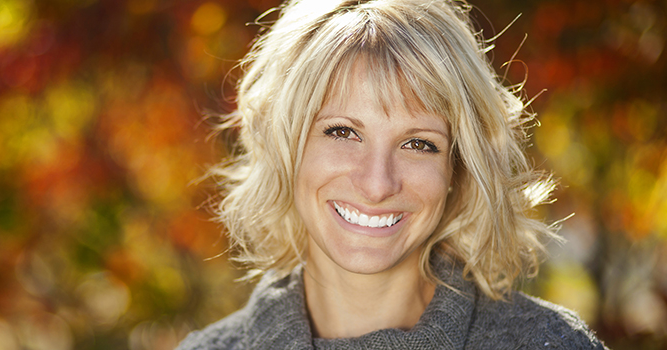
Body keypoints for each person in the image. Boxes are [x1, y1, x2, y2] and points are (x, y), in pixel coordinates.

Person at [178, 0, 607, 348]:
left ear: (457, 167)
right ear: (286, 147)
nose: (377, 183)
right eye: (342, 132)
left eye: (418, 144)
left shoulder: (549, 343)